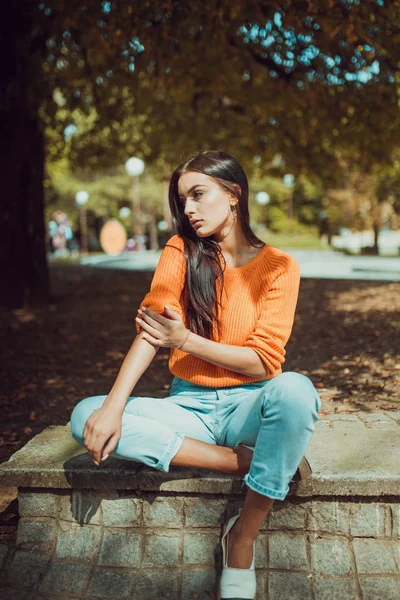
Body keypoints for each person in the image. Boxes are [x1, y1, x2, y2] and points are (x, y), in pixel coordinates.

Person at [70, 150, 321, 599]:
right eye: (182, 199)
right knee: (86, 414)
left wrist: (185, 340)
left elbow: (263, 361)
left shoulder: (280, 266)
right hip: (190, 408)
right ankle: (250, 463)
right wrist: (112, 408)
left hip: (251, 406)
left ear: (233, 194)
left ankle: (241, 538)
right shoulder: (180, 252)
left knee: (297, 391)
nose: (187, 209)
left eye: (198, 195)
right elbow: (153, 330)